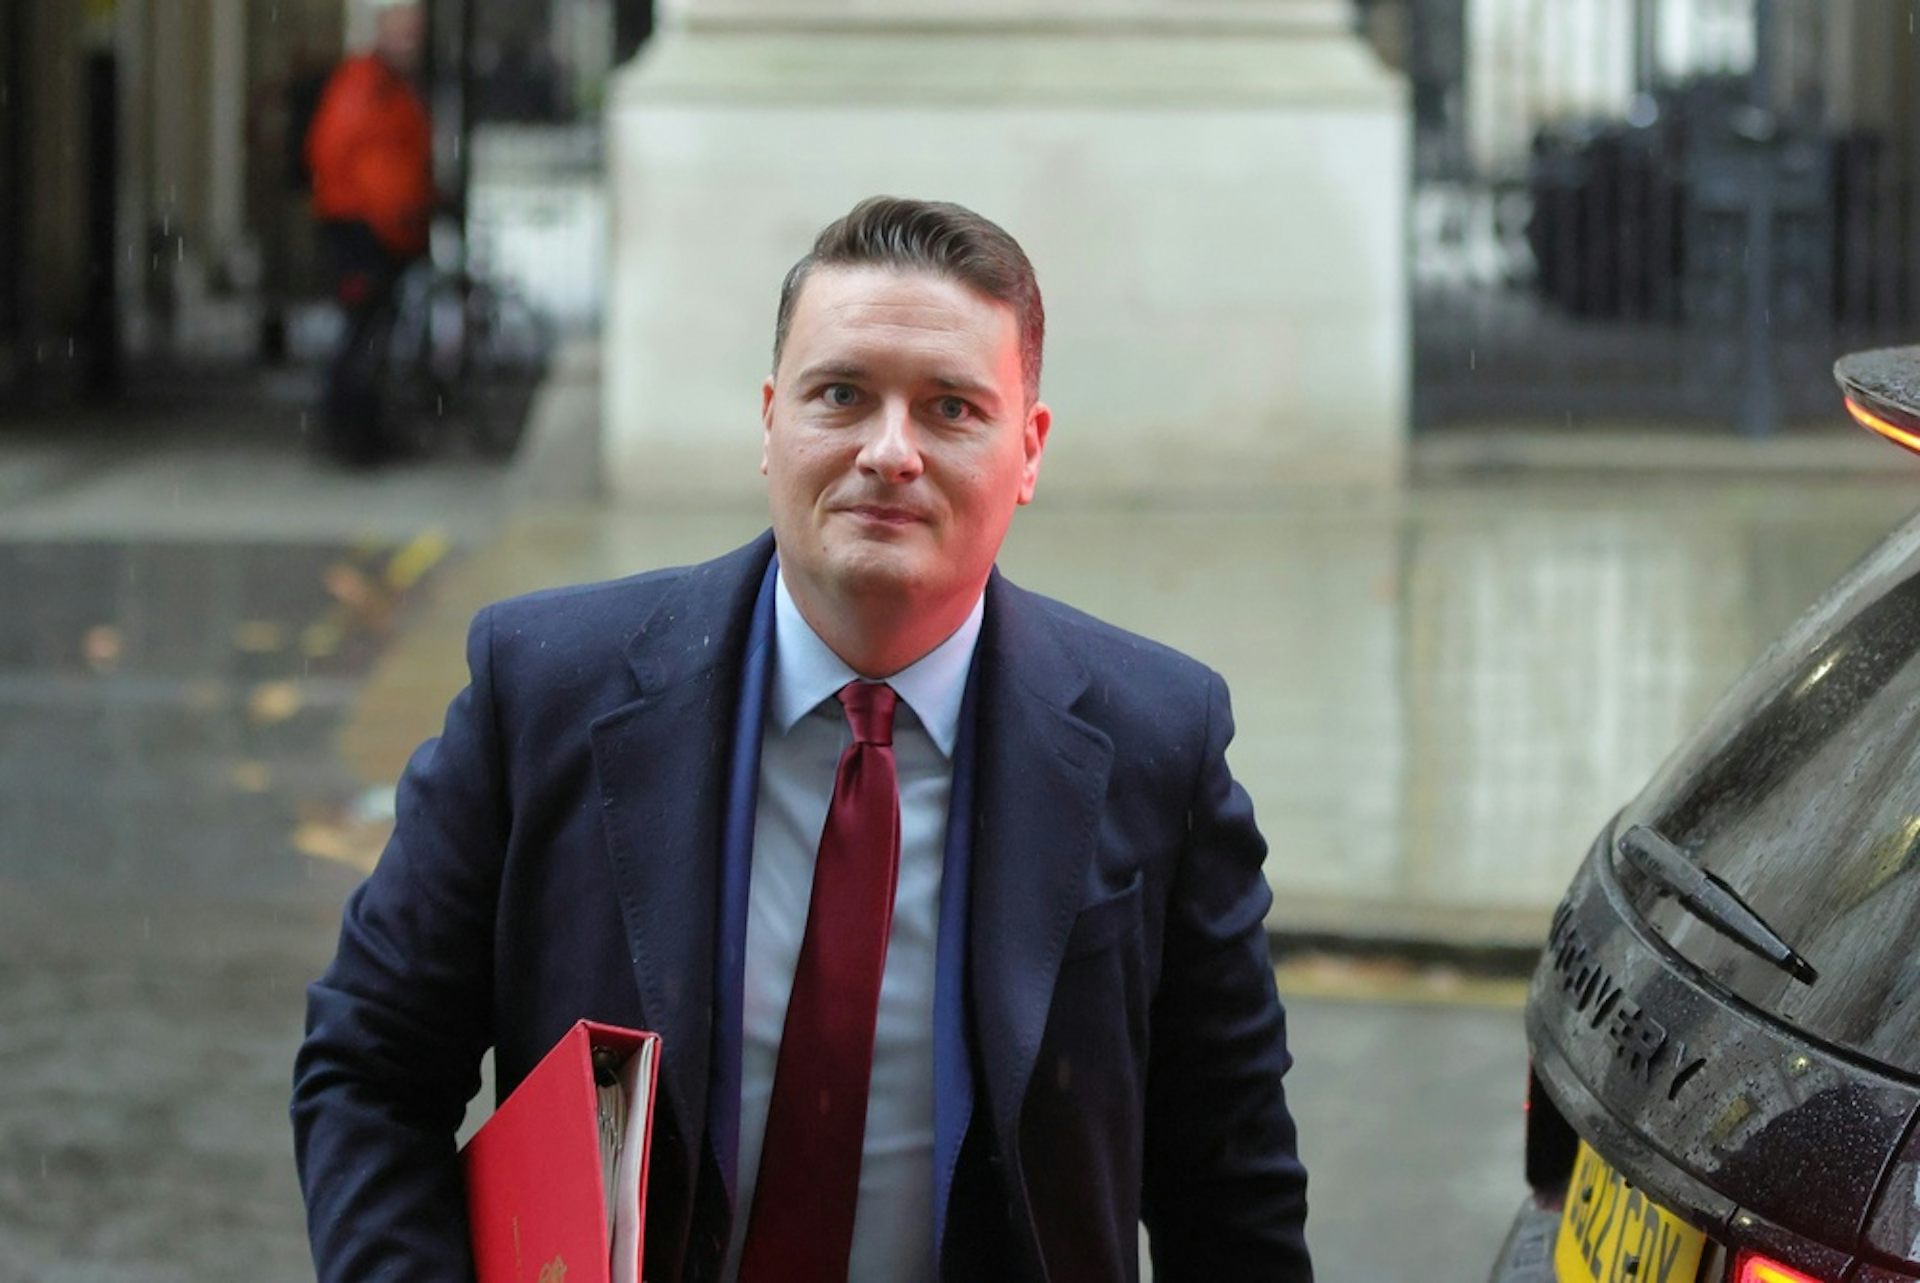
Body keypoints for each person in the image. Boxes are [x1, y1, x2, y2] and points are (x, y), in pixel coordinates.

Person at [292, 196, 1312, 1281]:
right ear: (770, 422)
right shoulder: (541, 689)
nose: (889, 451)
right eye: (842, 394)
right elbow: (370, 1072)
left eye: (951, 408)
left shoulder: (1159, 744)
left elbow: (1229, 1192)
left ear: (1029, 449)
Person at [303, 0, 432, 464]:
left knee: (372, 337)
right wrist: (382, 215)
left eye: (415, 33)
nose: (411, 42)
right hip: (363, 233)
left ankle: (364, 432)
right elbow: (335, 156)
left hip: (387, 233)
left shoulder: (391, 87)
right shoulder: (364, 86)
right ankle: (350, 435)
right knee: (361, 338)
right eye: (404, 32)